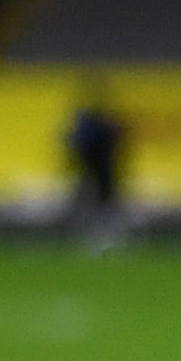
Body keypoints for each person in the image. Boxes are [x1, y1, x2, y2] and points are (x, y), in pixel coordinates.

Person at [62, 88, 130, 249]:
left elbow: (76, 147)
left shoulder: (91, 130)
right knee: (102, 208)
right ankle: (106, 240)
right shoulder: (104, 131)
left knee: (97, 207)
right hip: (101, 176)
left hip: (97, 176)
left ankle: (100, 240)